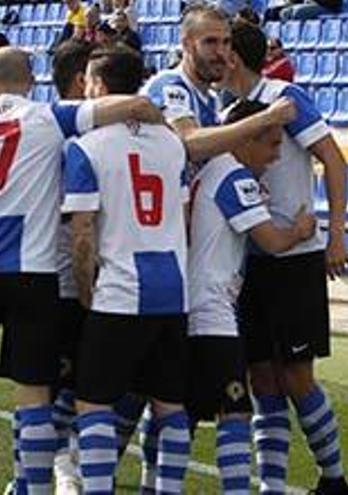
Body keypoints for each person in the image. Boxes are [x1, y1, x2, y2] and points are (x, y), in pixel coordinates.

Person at [0, 45, 165, 494]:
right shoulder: (48, 116)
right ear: (30, 80)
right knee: (33, 392)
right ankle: (31, 486)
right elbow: (135, 104)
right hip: (31, 269)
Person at [222, 19, 348, 494]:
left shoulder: (284, 97)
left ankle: (334, 477)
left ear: (233, 55)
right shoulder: (226, 106)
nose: (215, 55)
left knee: (297, 375)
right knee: (261, 376)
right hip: (249, 256)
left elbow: (334, 160)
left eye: (220, 45)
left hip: (294, 255)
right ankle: (271, 486)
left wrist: (336, 234)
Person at [62, 44, 192, 495]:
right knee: (170, 405)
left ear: (97, 87)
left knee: (93, 403)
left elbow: (81, 232)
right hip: (174, 289)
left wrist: (84, 289)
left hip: (119, 289)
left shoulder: (87, 146)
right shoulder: (173, 144)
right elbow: (183, 214)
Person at [187, 98, 318, 495]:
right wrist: (301, 229)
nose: (276, 156)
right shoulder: (234, 178)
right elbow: (273, 241)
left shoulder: (207, 171)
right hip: (212, 309)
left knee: (178, 411)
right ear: (246, 139)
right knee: (236, 412)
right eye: (272, 144)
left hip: (190, 303)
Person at [142, 4, 295, 163]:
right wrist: (267, 118)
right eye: (210, 42)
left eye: (226, 42)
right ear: (187, 45)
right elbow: (189, 144)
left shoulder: (212, 99)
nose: (221, 52)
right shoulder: (169, 85)